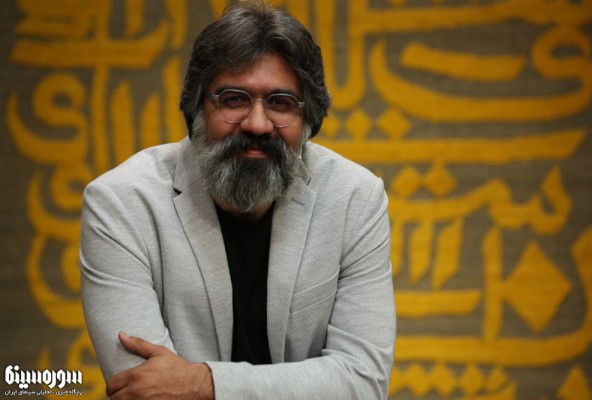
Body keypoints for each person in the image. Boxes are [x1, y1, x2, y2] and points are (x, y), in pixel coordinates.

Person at [79, 1, 396, 398]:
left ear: (308, 120)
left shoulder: (355, 199)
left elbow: (363, 383)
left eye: (280, 103)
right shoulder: (120, 204)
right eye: (233, 99)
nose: (257, 124)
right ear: (197, 107)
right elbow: (144, 389)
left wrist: (207, 384)